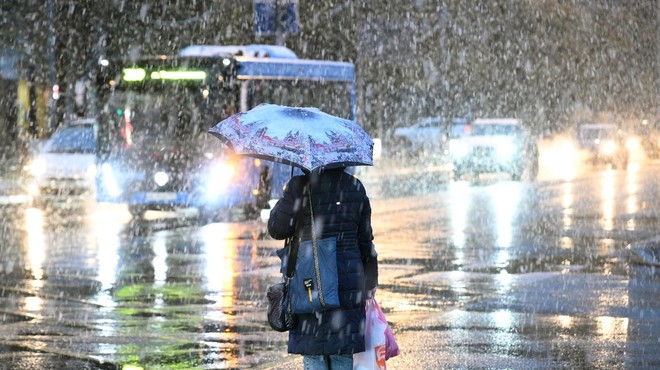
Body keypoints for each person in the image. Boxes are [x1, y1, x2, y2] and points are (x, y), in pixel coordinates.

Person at [268, 166, 378, 370]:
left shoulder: (299, 186)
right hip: (347, 285)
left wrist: (289, 196)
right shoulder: (354, 186)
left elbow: (276, 229)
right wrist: (370, 283)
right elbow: (365, 241)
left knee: (314, 354)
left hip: (309, 284)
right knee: (342, 355)